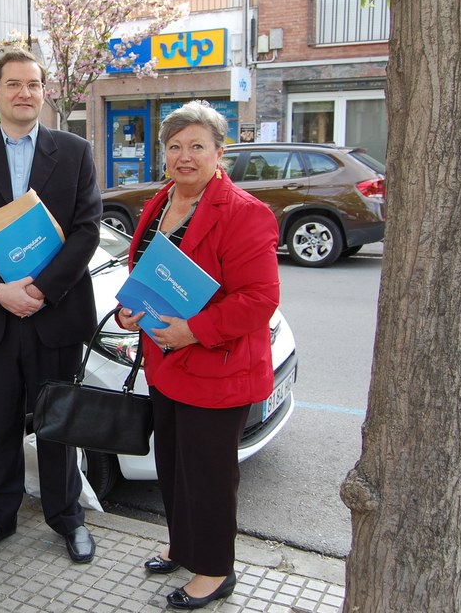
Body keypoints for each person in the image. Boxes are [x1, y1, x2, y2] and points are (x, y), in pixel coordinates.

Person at [117, 100, 280, 610]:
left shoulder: (245, 213)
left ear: (219, 153)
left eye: (197, 146)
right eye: (175, 146)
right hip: (166, 364)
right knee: (173, 466)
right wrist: (130, 311)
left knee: (208, 475)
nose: (184, 156)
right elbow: (145, 270)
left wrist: (193, 331)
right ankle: (183, 544)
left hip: (216, 368)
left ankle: (214, 570)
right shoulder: (161, 200)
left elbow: (260, 299)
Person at [0, 50, 102, 564]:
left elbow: (87, 230)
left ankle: (67, 516)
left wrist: (40, 290)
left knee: (58, 423)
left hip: (55, 312)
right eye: (13, 84)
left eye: (33, 84)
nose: (24, 93)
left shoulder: (75, 150)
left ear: (44, 92)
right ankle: (1, 515)